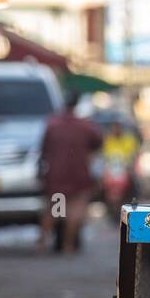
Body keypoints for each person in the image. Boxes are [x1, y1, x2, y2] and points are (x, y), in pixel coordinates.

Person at [38, 92, 103, 253]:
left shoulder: (52, 124)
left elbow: (44, 150)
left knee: (55, 210)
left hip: (57, 176)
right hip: (79, 176)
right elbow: (98, 144)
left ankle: (42, 244)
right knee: (75, 211)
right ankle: (68, 246)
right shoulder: (86, 126)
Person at [100, 119, 139, 222]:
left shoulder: (129, 140)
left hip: (125, 170)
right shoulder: (108, 140)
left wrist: (129, 167)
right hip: (112, 170)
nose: (116, 130)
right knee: (101, 186)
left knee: (135, 185)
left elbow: (133, 156)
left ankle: (133, 205)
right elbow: (104, 157)